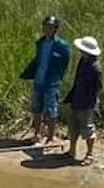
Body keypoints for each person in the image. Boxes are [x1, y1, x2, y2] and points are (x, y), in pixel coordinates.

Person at [20, 15, 70, 144]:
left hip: (52, 83)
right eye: (46, 27)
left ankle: (50, 137)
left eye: (51, 27)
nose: (48, 29)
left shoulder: (61, 45)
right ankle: (37, 134)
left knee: (51, 110)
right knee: (36, 108)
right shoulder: (40, 43)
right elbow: (37, 60)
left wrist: (58, 80)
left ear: (55, 29)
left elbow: (65, 64)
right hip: (39, 80)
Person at [63, 36, 103, 166]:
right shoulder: (82, 61)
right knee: (73, 127)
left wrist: (90, 103)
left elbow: (98, 87)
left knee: (87, 129)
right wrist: (70, 97)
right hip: (76, 99)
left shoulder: (95, 68)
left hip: (86, 104)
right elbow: (76, 82)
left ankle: (89, 154)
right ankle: (72, 151)